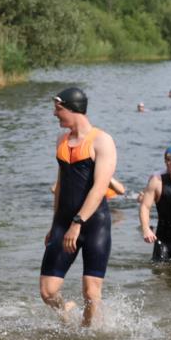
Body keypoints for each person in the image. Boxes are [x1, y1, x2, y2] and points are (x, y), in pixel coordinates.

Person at [39, 87, 117, 327]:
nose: (55, 114)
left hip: (94, 224)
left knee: (91, 293)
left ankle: (87, 334)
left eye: (58, 109)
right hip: (64, 223)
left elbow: (99, 188)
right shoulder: (61, 140)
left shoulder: (102, 141)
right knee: (48, 291)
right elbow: (61, 185)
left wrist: (77, 222)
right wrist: (55, 224)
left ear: (73, 109)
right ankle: (66, 316)